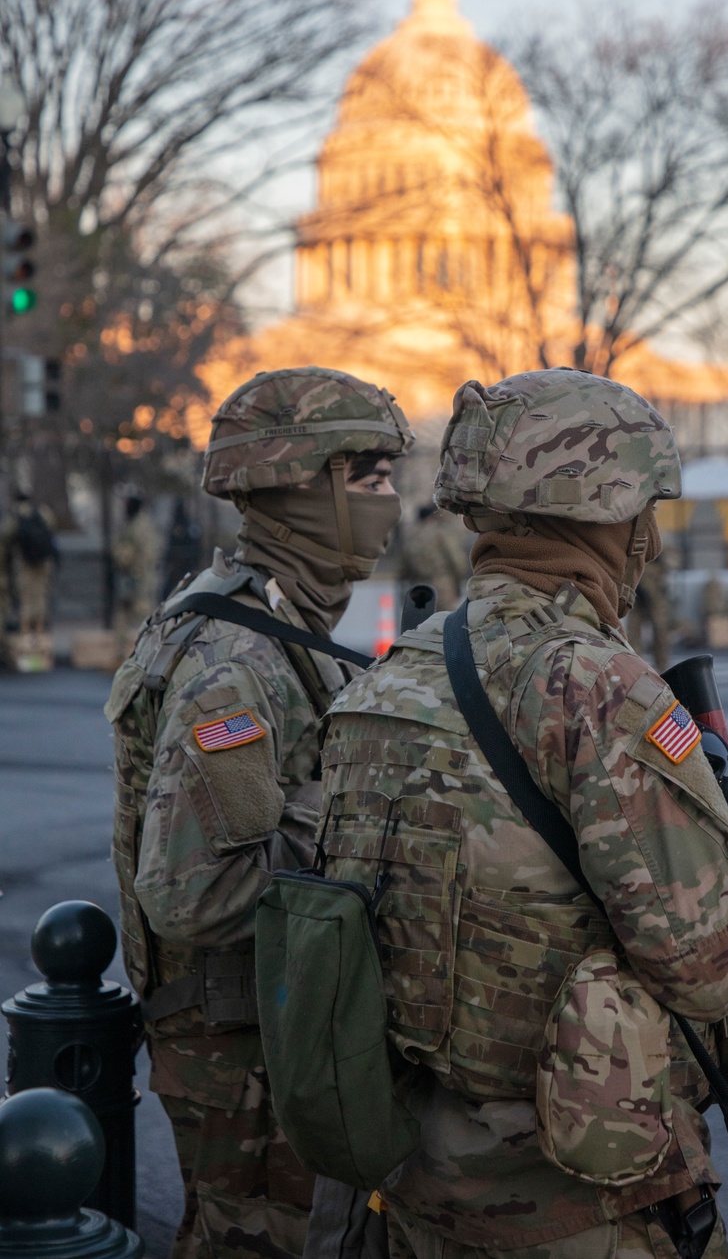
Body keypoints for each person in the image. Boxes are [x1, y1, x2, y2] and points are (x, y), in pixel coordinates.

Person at [317, 369, 728, 1259]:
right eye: (643, 508)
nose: (649, 537)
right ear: (608, 516)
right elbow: (708, 964)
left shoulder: (390, 674)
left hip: (418, 1172)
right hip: (575, 1196)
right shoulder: (598, 686)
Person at [105, 367, 413, 1259]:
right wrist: (365, 867)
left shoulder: (269, 620)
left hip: (272, 1028)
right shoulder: (237, 660)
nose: (392, 501)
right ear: (304, 488)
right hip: (245, 1055)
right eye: (371, 480)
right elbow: (192, 893)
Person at [395, 501, 471, 610]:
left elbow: (402, 570)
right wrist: (458, 579)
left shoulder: (411, 538)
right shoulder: (441, 535)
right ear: (431, 518)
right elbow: (456, 560)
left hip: (419, 588)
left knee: (422, 623)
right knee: (445, 622)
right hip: (442, 587)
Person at [2, 491, 58, 634]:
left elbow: (6, 535)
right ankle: (39, 630)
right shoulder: (42, 511)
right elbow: (52, 530)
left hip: (25, 562)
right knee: (40, 595)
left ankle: (25, 632)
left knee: (26, 597)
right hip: (44, 562)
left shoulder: (16, 513)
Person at [112, 492, 162, 636]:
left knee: (139, 616)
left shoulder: (136, 527)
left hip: (137, 577)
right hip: (138, 577)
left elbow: (126, 556)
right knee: (136, 616)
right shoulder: (140, 524)